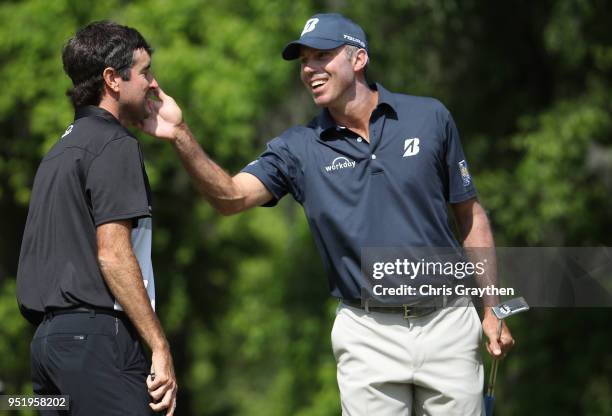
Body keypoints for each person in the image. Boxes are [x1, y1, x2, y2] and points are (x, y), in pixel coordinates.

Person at [141, 13, 514, 415]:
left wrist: (493, 307)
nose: (309, 69)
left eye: (322, 56)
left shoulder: (430, 117)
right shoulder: (297, 149)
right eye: (304, 60)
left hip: (448, 323)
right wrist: (180, 136)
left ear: (358, 59)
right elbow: (230, 198)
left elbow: (469, 215)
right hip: (367, 334)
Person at [16, 21, 177, 415]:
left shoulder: (56, 153)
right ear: (113, 79)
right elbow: (113, 255)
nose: (153, 84)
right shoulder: (115, 145)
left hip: (47, 347)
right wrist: (159, 346)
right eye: (144, 73)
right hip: (99, 345)